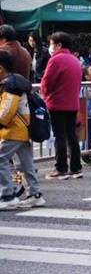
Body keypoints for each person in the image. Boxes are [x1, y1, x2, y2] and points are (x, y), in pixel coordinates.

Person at [0, 51, 45, 210]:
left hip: (14, 131)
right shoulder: (16, 81)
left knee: (0, 159)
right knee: (25, 164)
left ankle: (7, 195)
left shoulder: (10, 85)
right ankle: (35, 194)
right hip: (23, 129)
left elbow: (6, 113)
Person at [41, 32, 84, 180]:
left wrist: (46, 96)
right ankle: (76, 168)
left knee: (59, 135)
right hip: (72, 103)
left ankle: (61, 168)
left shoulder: (56, 60)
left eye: (52, 43)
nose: (50, 47)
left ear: (59, 45)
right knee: (72, 135)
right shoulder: (74, 60)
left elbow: (46, 83)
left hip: (57, 103)